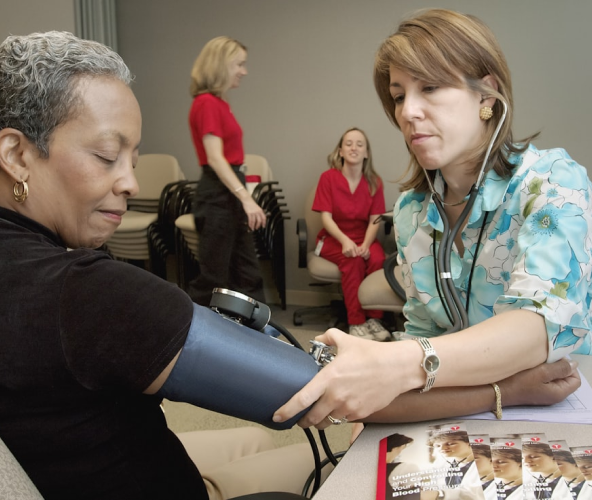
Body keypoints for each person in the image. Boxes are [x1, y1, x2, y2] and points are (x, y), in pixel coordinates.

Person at [0, 31, 315, 500]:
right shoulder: (84, 291)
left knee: (253, 441)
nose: (129, 181)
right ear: (16, 155)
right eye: (107, 156)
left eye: (134, 158)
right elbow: (315, 389)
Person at [273, 8, 589, 429]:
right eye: (400, 94)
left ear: (487, 96)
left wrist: (397, 363)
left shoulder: (552, 182)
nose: (407, 112)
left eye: (431, 87)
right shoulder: (410, 214)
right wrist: (504, 390)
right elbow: (387, 396)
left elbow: (539, 328)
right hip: (457, 418)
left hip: (552, 414)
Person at [186, 36, 266, 307]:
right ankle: (184, 336)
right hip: (218, 195)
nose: (244, 71)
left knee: (247, 272)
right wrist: (247, 199)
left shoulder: (220, 103)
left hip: (228, 192)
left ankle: (258, 336)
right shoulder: (207, 103)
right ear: (221, 64)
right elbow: (215, 159)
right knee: (214, 278)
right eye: (239, 64)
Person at [312, 127, 389, 341]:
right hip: (333, 238)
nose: (354, 148)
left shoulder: (375, 181)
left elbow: (375, 218)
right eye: (348, 144)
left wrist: (366, 243)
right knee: (353, 259)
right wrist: (345, 241)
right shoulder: (328, 178)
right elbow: (326, 218)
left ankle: (374, 318)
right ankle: (356, 322)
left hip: (363, 236)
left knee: (378, 258)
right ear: (340, 151)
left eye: (359, 144)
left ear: (366, 153)